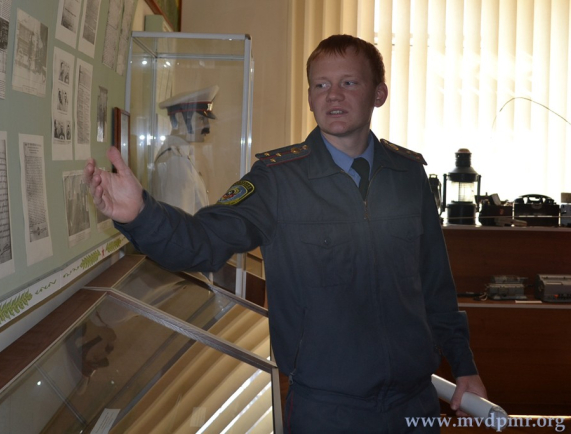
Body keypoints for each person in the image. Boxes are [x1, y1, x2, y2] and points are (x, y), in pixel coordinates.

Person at [84, 34, 486, 433]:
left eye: (349, 82)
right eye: (321, 85)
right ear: (309, 97)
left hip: (412, 406)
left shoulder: (408, 175)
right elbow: (203, 242)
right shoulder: (277, 180)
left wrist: (464, 365)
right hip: (326, 411)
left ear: (378, 93)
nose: (333, 95)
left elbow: (435, 285)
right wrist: (140, 214)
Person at [151, 85, 218, 215]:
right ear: (180, 118)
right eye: (201, 119)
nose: (207, 127)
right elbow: (178, 221)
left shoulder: (177, 156)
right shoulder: (176, 162)